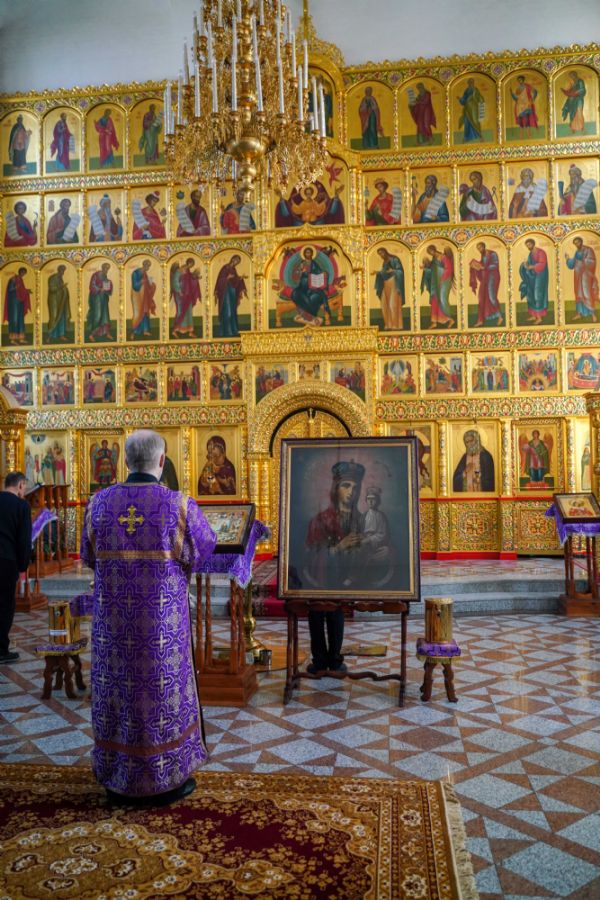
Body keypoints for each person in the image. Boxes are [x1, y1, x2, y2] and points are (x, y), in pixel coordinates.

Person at [80, 429, 217, 805]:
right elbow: (204, 548)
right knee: (161, 697)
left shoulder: (97, 504)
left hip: (113, 631)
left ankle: (117, 776)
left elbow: (88, 556)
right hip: (162, 630)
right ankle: (165, 779)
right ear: (162, 460)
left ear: (125, 461)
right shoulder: (179, 505)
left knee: (119, 695)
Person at [304, 460, 367, 673]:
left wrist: (377, 551)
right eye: (346, 485)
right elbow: (311, 556)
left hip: (344, 583)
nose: (351, 491)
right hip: (321, 581)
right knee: (316, 614)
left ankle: (335, 659)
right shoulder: (320, 520)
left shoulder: (363, 520)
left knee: (337, 615)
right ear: (335, 488)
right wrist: (338, 548)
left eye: (355, 487)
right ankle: (319, 660)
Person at [0, 472, 31, 665]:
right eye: (24, 487)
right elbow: (23, 540)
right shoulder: (21, 506)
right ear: (20, 485)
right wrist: (23, 566)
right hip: (6, 561)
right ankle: (1, 650)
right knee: (5, 606)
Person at [290, 247, 332, 325]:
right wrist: (300, 270)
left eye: (309, 253)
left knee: (316, 297)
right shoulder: (301, 264)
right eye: (306, 253)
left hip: (313, 288)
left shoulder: (315, 264)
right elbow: (294, 276)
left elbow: (320, 273)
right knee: (295, 294)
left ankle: (308, 315)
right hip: (302, 288)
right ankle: (309, 315)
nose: (308, 254)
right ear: (304, 254)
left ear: (312, 254)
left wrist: (324, 274)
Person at [275, 182, 344, 227]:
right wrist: (292, 203)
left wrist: (325, 201)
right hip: (302, 223)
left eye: (310, 193)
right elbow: (298, 209)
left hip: (315, 222)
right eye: (307, 193)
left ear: (312, 194)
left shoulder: (314, 202)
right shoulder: (303, 203)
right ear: (305, 194)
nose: (308, 195)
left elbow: (319, 209)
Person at [469, 242, 503, 327]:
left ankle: (499, 317)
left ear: (484, 247)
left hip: (493, 277)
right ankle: (480, 320)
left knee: (491, 296)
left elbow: (495, 265)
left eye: (480, 247)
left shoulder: (492, 254)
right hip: (485, 278)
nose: (479, 250)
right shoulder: (483, 255)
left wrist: (484, 267)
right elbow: (482, 264)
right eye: (478, 248)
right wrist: (475, 266)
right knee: (481, 297)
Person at [565, 237, 599, 322]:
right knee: (578, 294)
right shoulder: (577, 252)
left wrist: (582, 260)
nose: (577, 244)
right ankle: (579, 314)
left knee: (587, 294)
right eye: (575, 243)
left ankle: (593, 314)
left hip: (586, 276)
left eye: (578, 242)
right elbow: (572, 264)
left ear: (581, 242)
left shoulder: (588, 250)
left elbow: (592, 261)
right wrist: (568, 259)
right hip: (577, 276)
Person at [421, 245, 455, 328]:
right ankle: (434, 321)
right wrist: (425, 268)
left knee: (442, 299)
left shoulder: (443, 257)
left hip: (444, 281)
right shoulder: (434, 259)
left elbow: (449, 269)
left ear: (434, 250)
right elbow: (433, 270)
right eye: (429, 253)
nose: (430, 253)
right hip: (435, 282)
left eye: (431, 251)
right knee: (434, 299)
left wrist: (442, 278)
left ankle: (450, 319)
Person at [214, 255, 247, 338]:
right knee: (227, 312)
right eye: (236, 260)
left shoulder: (233, 269)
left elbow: (235, 281)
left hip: (232, 292)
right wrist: (227, 278)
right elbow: (220, 280)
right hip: (225, 292)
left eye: (238, 262)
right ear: (232, 259)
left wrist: (241, 278)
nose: (237, 262)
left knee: (233, 311)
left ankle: (233, 330)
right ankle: (227, 331)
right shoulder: (225, 268)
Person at [519, 238, 549, 324]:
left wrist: (531, 267)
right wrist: (525, 265)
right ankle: (533, 315)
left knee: (537, 295)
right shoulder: (530, 254)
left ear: (533, 243)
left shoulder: (541, 252)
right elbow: (529, 264)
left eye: (529, 244)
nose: (528, 246)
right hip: (532, 277)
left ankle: (539, 317)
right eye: (527, 245)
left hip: (540, 277)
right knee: (530, 294)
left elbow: (542, 264)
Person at [373, 247, 404, 330]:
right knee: (384, 304)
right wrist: (378, 273)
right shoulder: (384, 262)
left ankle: (396, 325)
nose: (381, 255)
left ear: (385, 252)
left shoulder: (394, 259)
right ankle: (388, 324)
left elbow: (400, 271)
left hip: (394, 282)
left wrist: (393, 271)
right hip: (385, 283)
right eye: (379, 254)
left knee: (392, 304)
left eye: (381, 253)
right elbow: (384, 272)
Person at [171, 258, 201, 337]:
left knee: (189, 312)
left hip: (188, 295)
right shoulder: (179, 271)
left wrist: (195, 277)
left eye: (192, 265)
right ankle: (175, 330)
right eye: (191, 264)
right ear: (188, 263)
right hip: (180, 296)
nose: (191, 266)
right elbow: (175, 281)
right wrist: (179, 291)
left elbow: (191, 281)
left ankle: (190, 331)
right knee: (181, 312)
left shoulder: (188, 272)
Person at [3, 267, 32, 345]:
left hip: (20, 302)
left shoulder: (20, 279)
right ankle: (12, 339)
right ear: (20, 272)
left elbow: (21, 290)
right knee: (14, 319)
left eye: (24, 273)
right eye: (23, 272)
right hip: (13, 302)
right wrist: (16, 287)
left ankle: (21, 338)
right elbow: (10, 289)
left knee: (20, 319)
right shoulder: (13, 279)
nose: (23, 274)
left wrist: (27, 291)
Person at [87, 262, 114, 341]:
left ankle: (107, 333)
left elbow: (108, 291)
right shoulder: (96, 275)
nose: (106, 270)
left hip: (104, 299)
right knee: (97, 315)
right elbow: (92, 286)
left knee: (105, 316)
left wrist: (109, 286)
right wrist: (99, 289)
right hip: (96, 299)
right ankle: (92, 334)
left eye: (108, 269)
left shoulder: (105, 278)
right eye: (105, 268)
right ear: (102, 268)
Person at [130, 259, 156, 338]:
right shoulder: (135, 273)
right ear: (144, 265)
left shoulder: (145, 273)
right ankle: (134, 331)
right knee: (138, 313)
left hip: (145, 297)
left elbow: (147, 285)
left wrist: (152, 285)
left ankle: (145, 330)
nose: (148, 267)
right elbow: (135, 286)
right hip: (138, 297)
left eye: (149, 266)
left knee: (145, 312)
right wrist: (141, 282)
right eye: (147, 266)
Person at [46, 264, 71, 342]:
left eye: (64, 271)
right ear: (59, 270)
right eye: (62, 270)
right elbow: (52, 289)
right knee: (54, 317)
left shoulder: (60, 278)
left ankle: (61, 335)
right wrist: (61, 287)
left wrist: (64, 289)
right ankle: (50, 335)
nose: (63, 272)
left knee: (61, 316)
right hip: (54, 302)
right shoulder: (53, 278)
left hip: (61, 301)